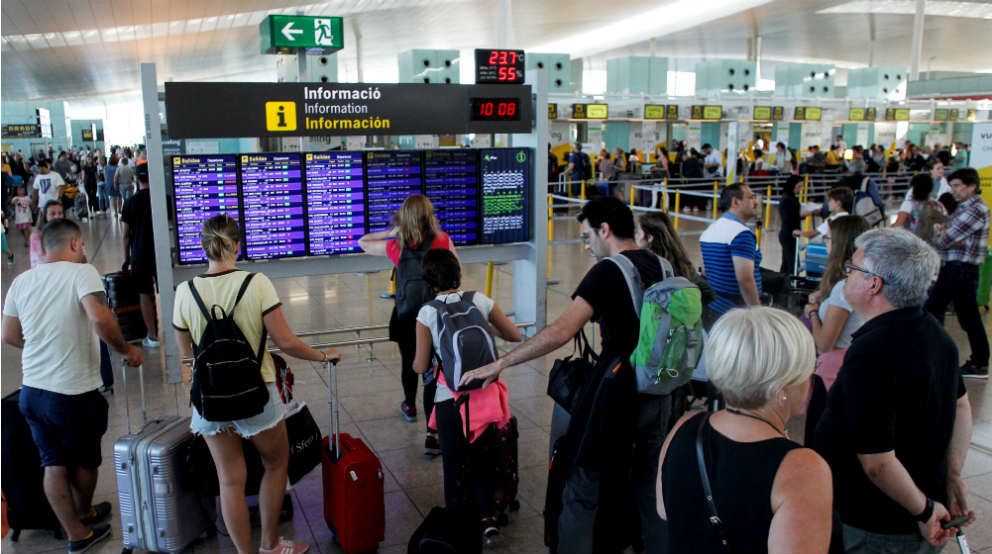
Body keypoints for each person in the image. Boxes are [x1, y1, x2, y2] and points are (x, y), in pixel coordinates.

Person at [459, 197, 672, 554]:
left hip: (616, 392)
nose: (587, 244)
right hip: (661, 391)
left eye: (588, 235)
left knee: (581, 483)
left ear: (605, 229)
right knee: (649, 485)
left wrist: (500, 363)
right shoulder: (663, 265)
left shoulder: (609, 271)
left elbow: (561, 331)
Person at [173, 214, 341, 554]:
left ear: (203, 247)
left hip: (209, 400)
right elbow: (287, 342)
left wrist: (194, 385)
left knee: (229, 480)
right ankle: (270, 545)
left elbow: (186, 359)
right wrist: (324, 356)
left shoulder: (184, 292)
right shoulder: (256, 283)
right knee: (276, 464)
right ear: (238, 245)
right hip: (256, 393)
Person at [813, 228, 975, 552]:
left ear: (874, 284)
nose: (847, 275)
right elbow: (962, 407)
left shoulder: (873, 351)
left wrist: (924, 510)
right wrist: (952, 474)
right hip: (921, 505)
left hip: (880, 525)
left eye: (853, 269)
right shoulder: (935, 334)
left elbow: (878, 462)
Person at [2, 218, 143, 554]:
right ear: (77, 243)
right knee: (85, 461)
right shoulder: (82, 272)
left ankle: (76, 527)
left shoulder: (22, 281)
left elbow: (7, 334)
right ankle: (80, 523)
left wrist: (41, 346)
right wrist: (126, 350)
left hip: (32, 392)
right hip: (72, 391)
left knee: (52, 462)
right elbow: (100, 317)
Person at [657, 307, 834, 554]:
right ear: (783, 385)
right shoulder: (803, 470)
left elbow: (665, 510)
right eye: (809, 368)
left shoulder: (684, 427)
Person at [412, 248, 522, 541]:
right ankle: (487, 518)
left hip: (450, 399)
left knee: (453, 464)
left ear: (429, 281)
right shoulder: (479, 300)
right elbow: (515, 335)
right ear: (458, 274)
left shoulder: (427, 312)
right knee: (485, 459)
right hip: (485, 396)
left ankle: (458, 524)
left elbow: (420, 365)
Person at [358, 194, 456, 455]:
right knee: (434, 370)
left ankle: (410, 406)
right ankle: (432, 430)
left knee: (409, 363)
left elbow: (363, 242)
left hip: (406, 316)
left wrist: (391, 231)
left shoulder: (397, 247)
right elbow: (456, 273)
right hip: (435, 316)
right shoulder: (443, 241)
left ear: (405, 218)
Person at [924, 168, 990, 378]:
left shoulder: (976, 209)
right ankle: (932, 353)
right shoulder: (963, 208)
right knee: (934, 309)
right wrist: (945, 233)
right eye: (952, 185)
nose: (953, 190)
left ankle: (980, 362)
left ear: (972, 187)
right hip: (952, 266)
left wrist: (942, 232)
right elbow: (947, 236)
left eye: (958, 185)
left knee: (968, 318)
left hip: (962, 269)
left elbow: (943, 239)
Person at [803, 216, 869, 354]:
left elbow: (824, 346)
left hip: (833, 365)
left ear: (839, 243)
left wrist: (812, 313)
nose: (825, 243)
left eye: (827, 239)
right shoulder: (864, 276)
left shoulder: (845, 288)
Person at [699, 184, 762, 329]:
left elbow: (706, 271)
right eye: (751, 197)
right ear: (735, 202)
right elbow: (745, 279)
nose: (756, 202)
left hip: (714, 308)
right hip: (737, 314)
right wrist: (757, 311)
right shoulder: (741, 234)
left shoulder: (710, 230)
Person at [635, 212, 714, 305]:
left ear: (650, 238)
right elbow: (708, 292)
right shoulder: (679, 260)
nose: (636, 236)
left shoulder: (649, 265)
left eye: (638, 232)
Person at [121, 164, 160, 348]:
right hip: (161, 253)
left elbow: (126, 234)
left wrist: (126, 258)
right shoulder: (164, 199)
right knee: (173, 290)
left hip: (140, 254)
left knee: (145, 294)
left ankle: (152, 336)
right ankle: (179, 329)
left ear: (137, 179)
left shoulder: (130, 202)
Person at [778, 175, 803, 274]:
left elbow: (792, 215)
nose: (800, 189)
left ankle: (782, 282)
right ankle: (790, 282)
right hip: (788, 234)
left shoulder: (791, 197)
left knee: (787, 262)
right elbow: (787, 218)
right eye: (799, 187)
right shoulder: (787, 199)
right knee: (791, 262)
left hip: (790, 234)